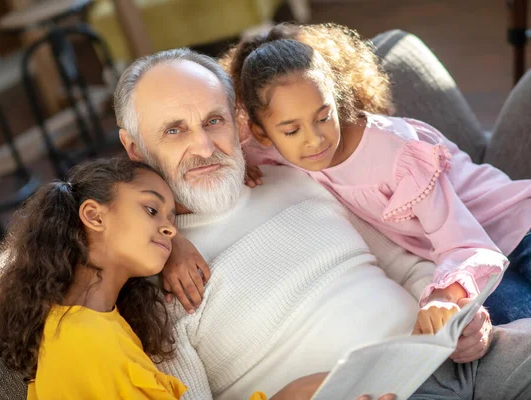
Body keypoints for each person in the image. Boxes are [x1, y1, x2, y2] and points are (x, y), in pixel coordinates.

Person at [113, 47, 531, 400]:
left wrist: (453, 315)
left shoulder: (294, 170)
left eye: (213, 121)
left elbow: (403, 263)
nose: (204, 147)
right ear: (133, 147)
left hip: (446, 355)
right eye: (174, 130)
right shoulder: (147, 268)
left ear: (239, 122)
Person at [224, 23, 531, 326]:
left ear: (338, 98)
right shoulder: (269, 147)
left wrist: (443, 297)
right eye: (292, 130)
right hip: (473, 264)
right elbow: (216, 158)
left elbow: (466, 244)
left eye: (323, 117)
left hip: (512, 228)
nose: (314, 139)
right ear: (261, 133)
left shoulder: (397, 156)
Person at [0, 157, 323, 400]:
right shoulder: (90, 343)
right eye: (151, 209)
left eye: (172, 217)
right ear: (93, 216)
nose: (170, 228)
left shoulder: (85, 324)